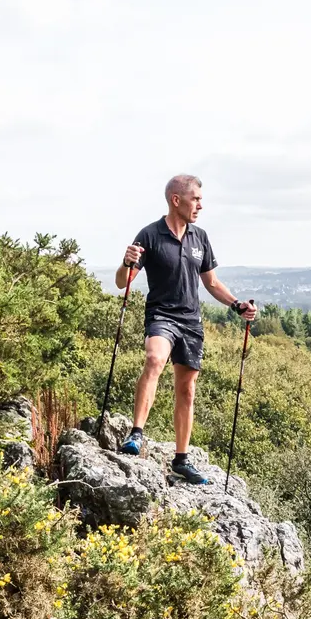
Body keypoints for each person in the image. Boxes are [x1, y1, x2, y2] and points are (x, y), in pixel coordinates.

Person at [114, 174, 256, 482]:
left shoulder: (200, 237)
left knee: (187, 390)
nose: (200, 206)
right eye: (196, 199)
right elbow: (122, 283)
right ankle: (136, 434)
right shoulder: (149, 235)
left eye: (201, 200)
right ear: (176, 200)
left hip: (191, 321)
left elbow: (212, 283)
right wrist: (126, 263)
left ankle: (181, 459)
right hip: (161, 315)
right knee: (154, 359)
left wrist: (237, 305)